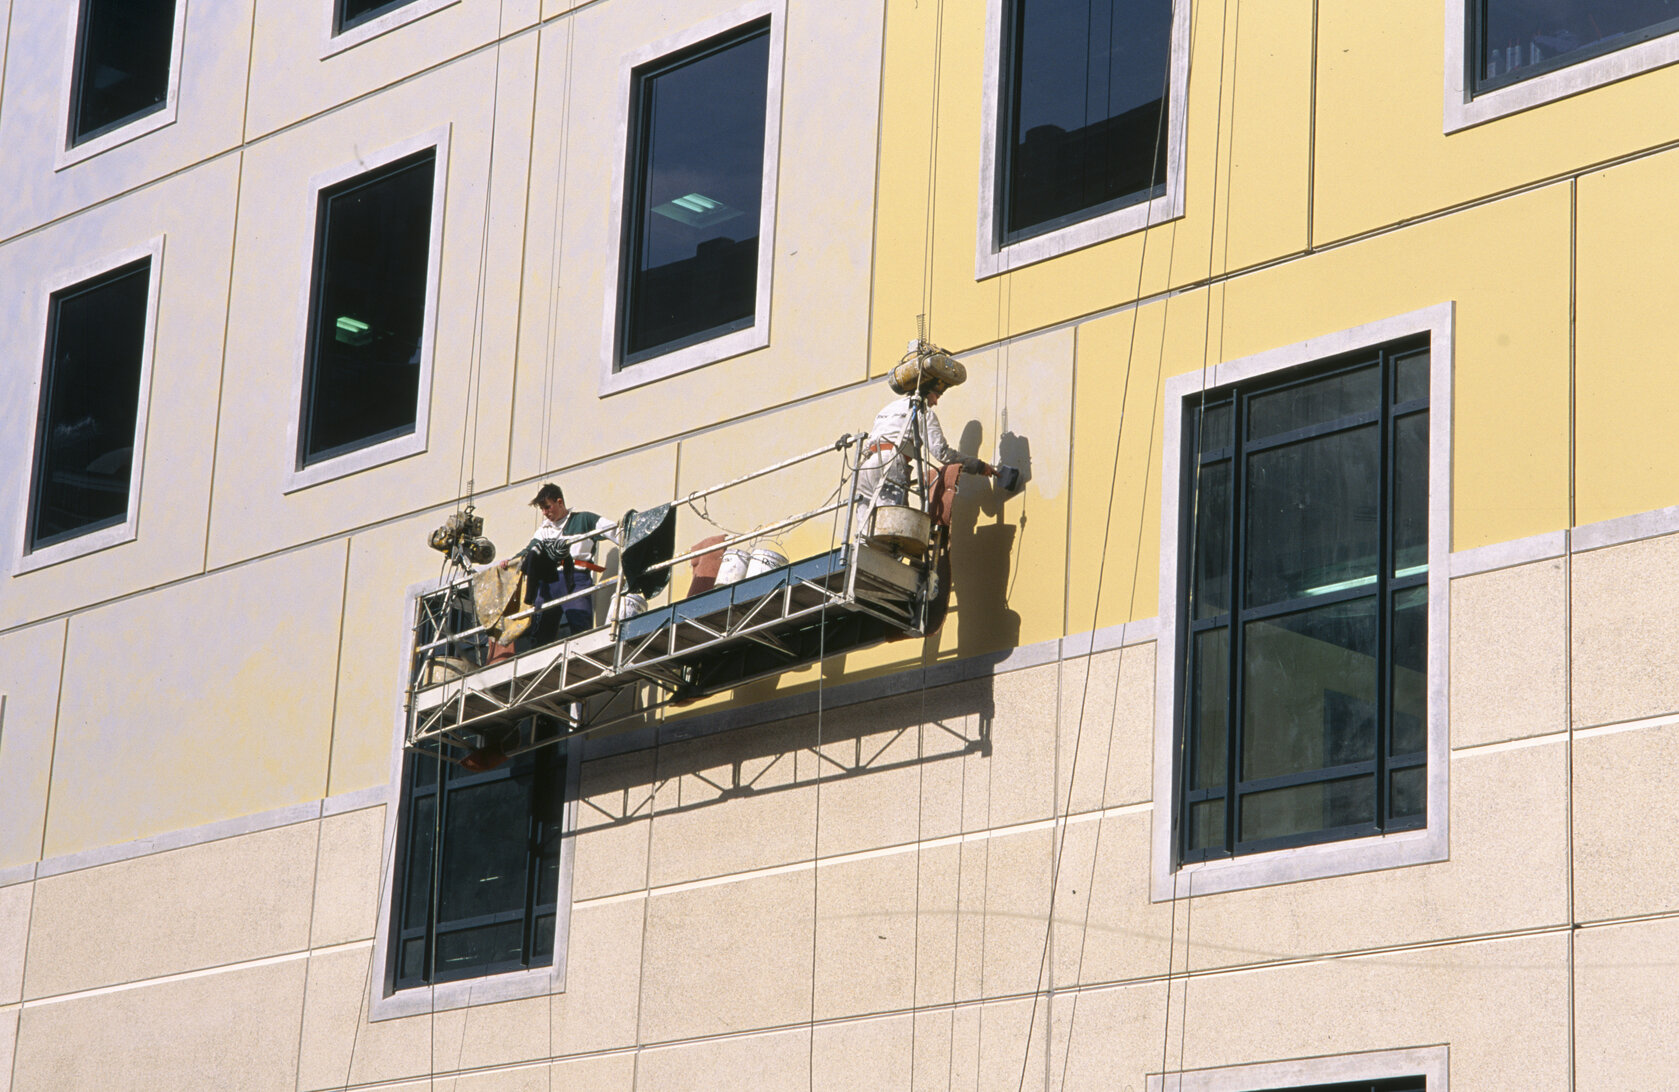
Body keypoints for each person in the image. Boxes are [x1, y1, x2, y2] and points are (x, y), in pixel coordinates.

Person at [854, 377, 997, 539]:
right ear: (927, 392)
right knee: (892, 529)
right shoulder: (923, 412)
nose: (935, 402)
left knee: (865, 530)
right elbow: (941, 452)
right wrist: (977, 466)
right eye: (937, 395)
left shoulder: (887, 409)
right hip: (891, 463)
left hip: (866, 466)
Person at [501, 484, 615, 644]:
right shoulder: (544, 530)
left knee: (580, 625)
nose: (545, 513)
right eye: (542, 509)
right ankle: (540, 665)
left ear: (560, 502)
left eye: (547, 507)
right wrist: (511, 561)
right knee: (541, 633)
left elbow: (615, 530)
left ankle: (582, 657)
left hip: (576, 578)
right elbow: (528, 550)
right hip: (549, 581)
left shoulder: (584, 520)